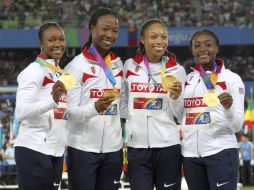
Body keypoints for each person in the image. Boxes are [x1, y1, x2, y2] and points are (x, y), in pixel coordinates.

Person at [120, 18, 186, 190]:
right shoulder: (129, 66)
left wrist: (176, 98)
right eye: (153, 36)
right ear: (142, 39)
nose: (159, 41)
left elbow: (180, 116)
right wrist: (136, 118)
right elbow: (122, 103)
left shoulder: (177, 70)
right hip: (137, 148)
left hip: (168, 147)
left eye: (163, 37)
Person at [64, 8, 123, 190]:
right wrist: (94, 108)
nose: (110, 35)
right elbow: (69, 112)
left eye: (114, 31)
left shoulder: (119, 64)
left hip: (113, 151)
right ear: (92, 29)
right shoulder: (75, 66)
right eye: (105, 29)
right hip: (82, 150)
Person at [181, 29, 245, 190]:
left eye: (208, 45)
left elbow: (237, 126)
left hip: (221, 152)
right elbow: (179, 116)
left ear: (217, 48)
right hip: (191, 156)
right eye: (197, 45)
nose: (202, 48)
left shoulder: (231, 79)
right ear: (193, 50)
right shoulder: (187, 80)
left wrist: (229, 107)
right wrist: (174, 99)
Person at [14, 22, 67, 190]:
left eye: (61, 39)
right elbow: (21, 112)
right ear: (41, 44)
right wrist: (53, 100)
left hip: (56, 152)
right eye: (51, 40)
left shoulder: (61, 72)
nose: (57, 44)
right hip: (34, 150)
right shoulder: (34, 71)